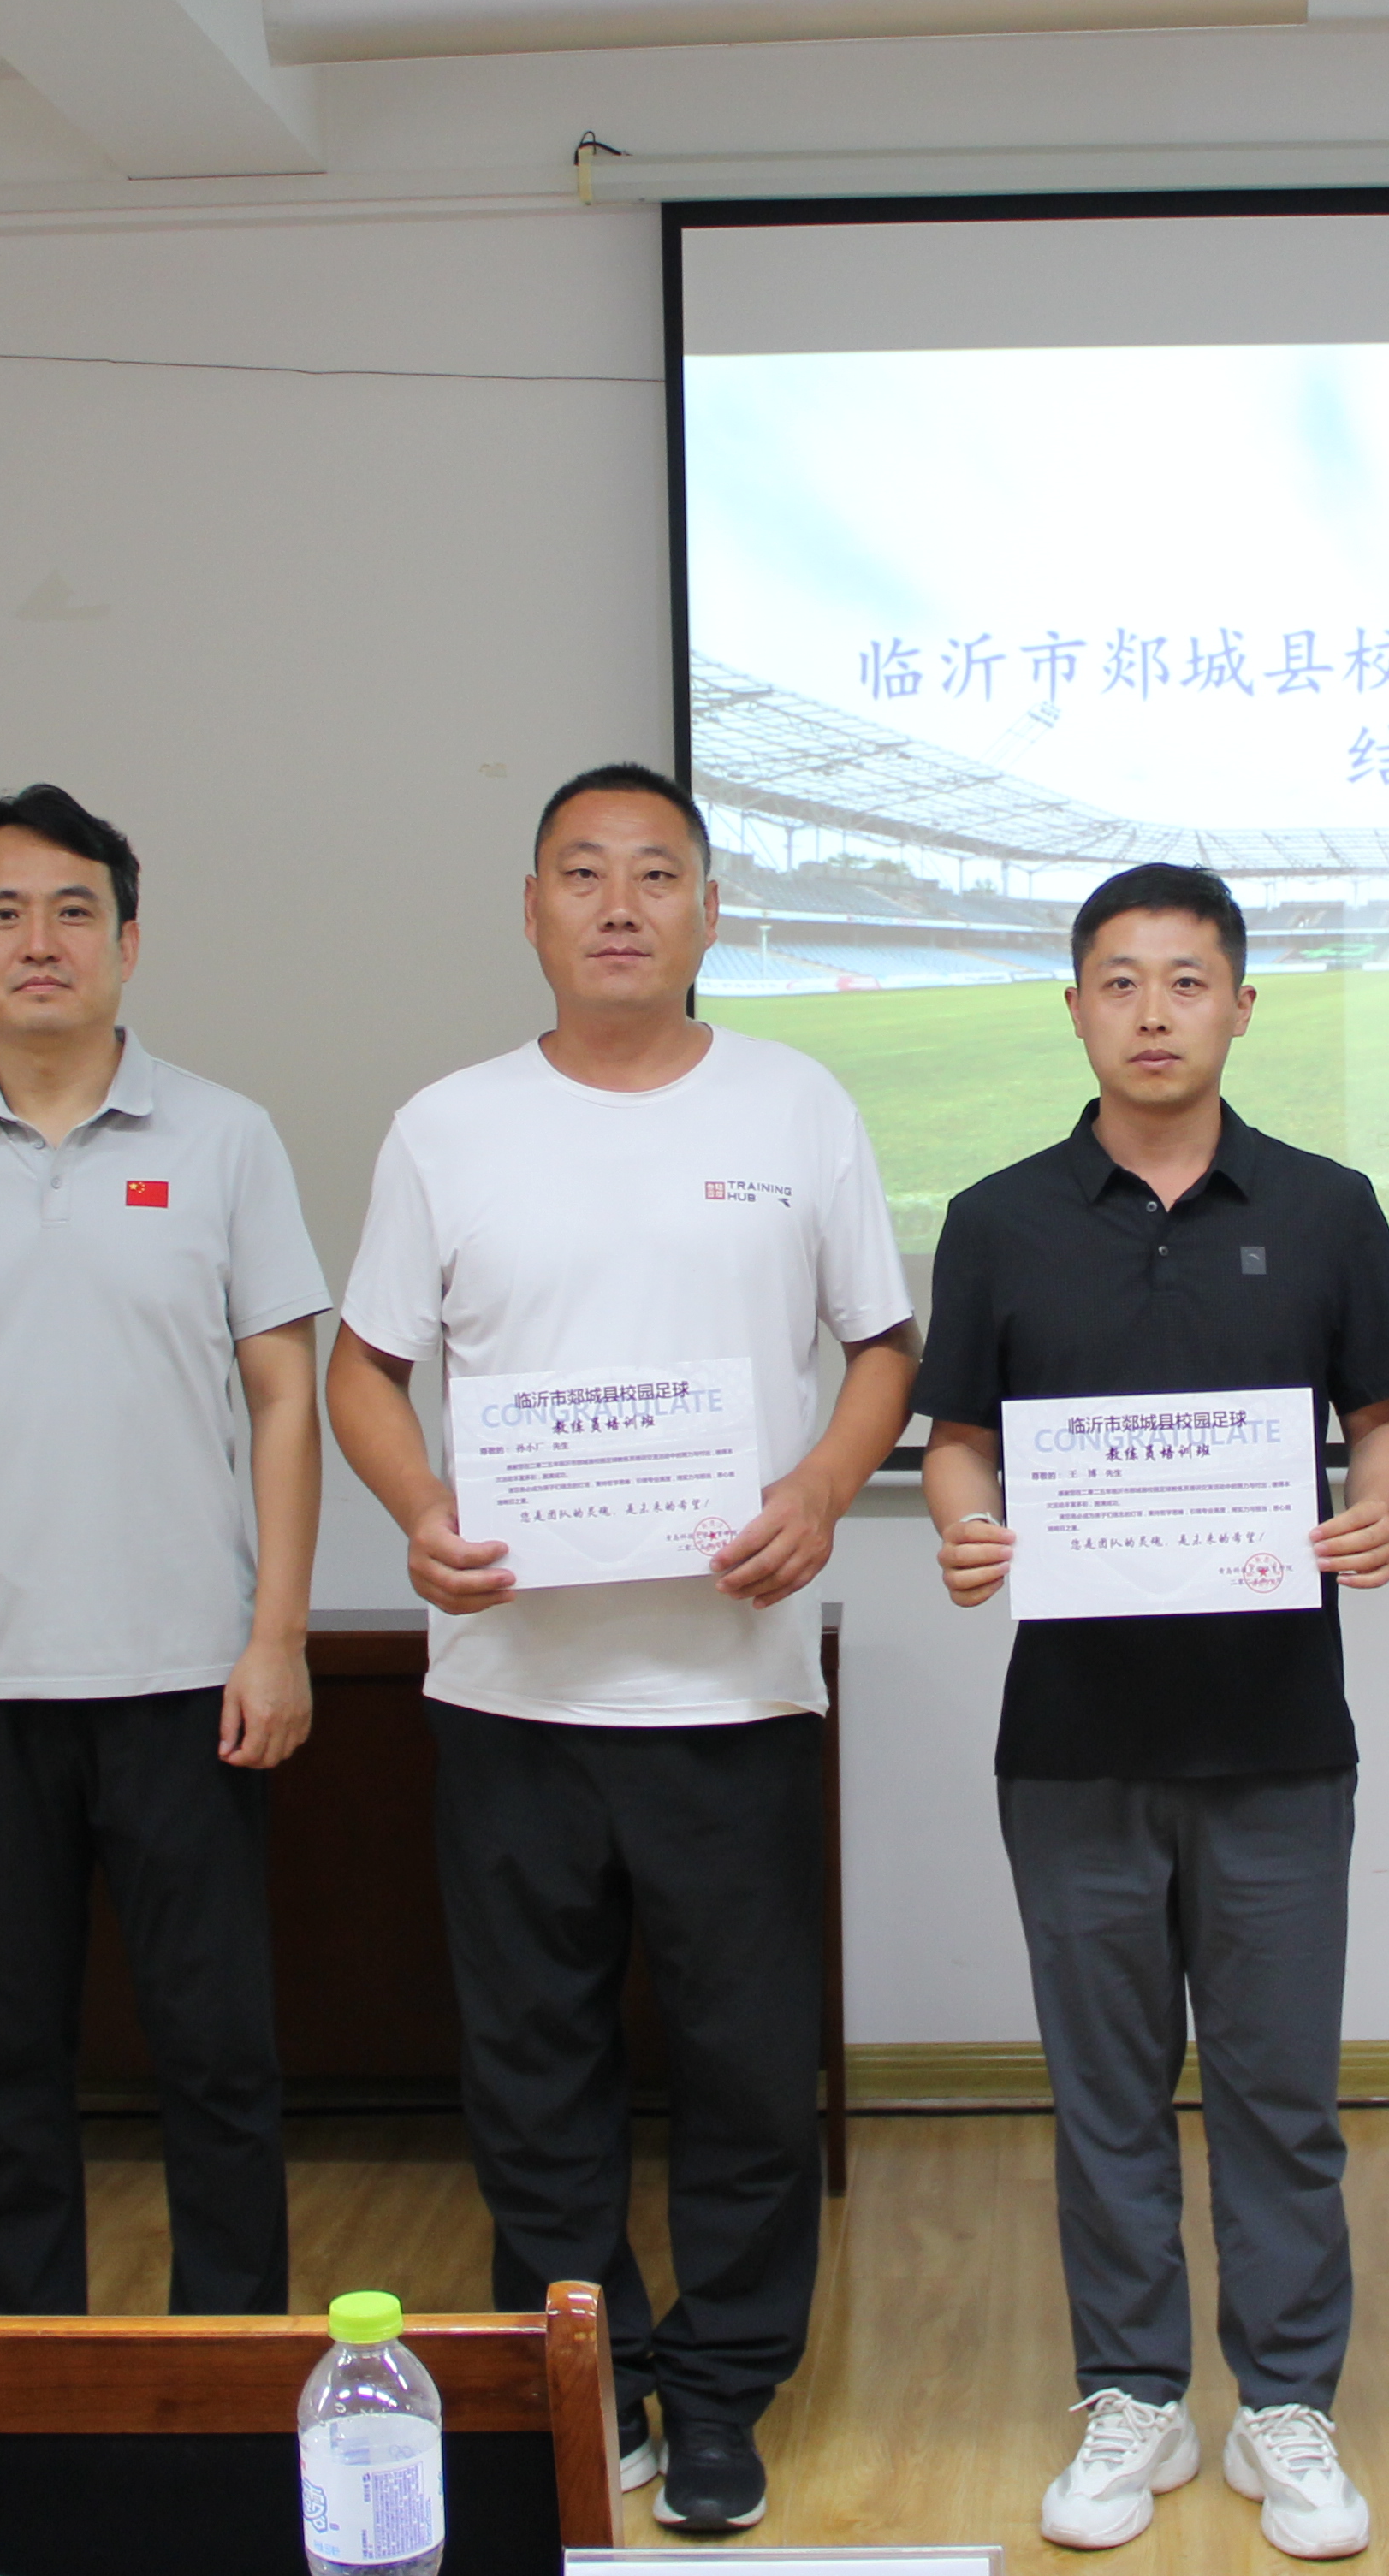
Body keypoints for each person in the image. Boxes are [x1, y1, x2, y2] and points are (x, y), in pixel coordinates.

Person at [326, 761, 914, 2538]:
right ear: (531, 911)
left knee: (748, 2070)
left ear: (712, 910)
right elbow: (364, 1368)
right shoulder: (448, 1127)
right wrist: (423, 1508)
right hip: (514, 1694)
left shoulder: (797, 1104)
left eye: (658, 873)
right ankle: (587, 2371)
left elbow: (882, 1345)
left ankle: (723, 2391)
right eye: (581, 873)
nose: (619, 905)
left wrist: (823, 1487)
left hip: (732, 1688)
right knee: (535, 2069)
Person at [917, 862, 1389, 2563]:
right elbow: (961, 1437)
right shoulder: (998, 1217)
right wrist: (966, 1525)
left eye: (1187, 980)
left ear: (1241, 1007)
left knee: (1282, 2094)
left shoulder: (1328, 1206)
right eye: (1120, 981)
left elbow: (1387, 1419)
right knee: (1107, 2096)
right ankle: (1132, 2390)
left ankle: (1286, 2400)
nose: (1153, 1012)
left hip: (1278, 1739)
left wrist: (1379, 1509)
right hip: (1072, 1744)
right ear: (1075, 1007)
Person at [0, 785, 327, 2317]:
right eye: (3, 914)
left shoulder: (226, 1139)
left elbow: (286, 1397)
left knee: (218, 2054)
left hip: (189, 1680)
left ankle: (229, 2360)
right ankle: (25, 2372)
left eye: (74, 911)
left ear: (129, 942)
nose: (40, 942)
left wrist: (278, 1635)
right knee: (0, 2058)